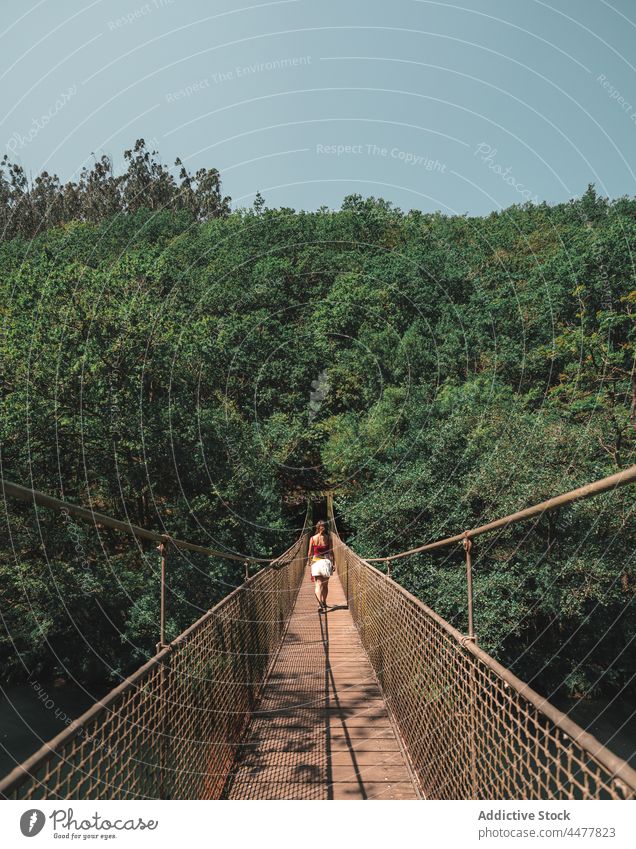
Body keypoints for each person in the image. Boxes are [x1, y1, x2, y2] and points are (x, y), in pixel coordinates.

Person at [308, 520, 334, 612]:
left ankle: (319, 604)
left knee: (318, 584)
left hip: (316, 562)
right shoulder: (328, 538)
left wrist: (309, 562)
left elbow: (309, 553)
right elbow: (331, 552)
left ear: (317, 527)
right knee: (325, 585)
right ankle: (324, 602)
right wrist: (333, 563)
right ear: (324, 527)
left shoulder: (312, 538)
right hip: (326, 562)